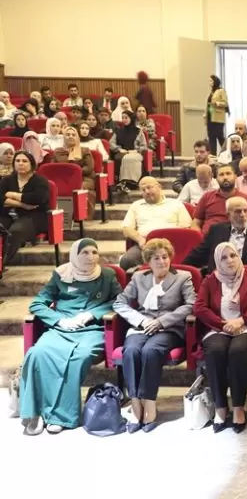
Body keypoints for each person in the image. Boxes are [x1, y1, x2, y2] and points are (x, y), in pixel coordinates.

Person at [19, 239, 121, 435]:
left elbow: (120, 300)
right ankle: (36, 412)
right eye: (85, 252)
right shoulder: (61, 275)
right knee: (37, 353)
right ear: (75, 255)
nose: (91, 257)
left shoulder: (107, 275)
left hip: (91, 330)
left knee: (78, 358)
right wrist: (59, 320)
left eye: (94, 252)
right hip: (62, 328)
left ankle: (60, 416)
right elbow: (37, 303)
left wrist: (93, 314)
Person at [113, 238, 195, 432]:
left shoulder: (183, 277)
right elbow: (119, 303)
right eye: (156, 258)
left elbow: (191, 304)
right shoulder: (138, 278)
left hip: (169, 328)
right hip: (142, 325)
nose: (162, 261)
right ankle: (136, 402)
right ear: (148, 261)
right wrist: (142, 321)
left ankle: (149, 401)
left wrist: (162, 321)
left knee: (150, 351)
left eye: (165, 257)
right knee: (131, 351)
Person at [194, 242, 247, 433]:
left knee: (237, 351)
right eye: (224, 257)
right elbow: (199, 307)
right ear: (217, 262)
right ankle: (220, 406)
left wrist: (241, 321)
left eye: (233, 255)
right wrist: (223, 325)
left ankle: (238, 407)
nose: (230, 260)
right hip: (218, 328)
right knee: (215, 350)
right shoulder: (210, 280)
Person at [184, 196, 247, 273]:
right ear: (228, 215)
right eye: (238, 211)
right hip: (217, 278)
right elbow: (199, 254)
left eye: (245, 211)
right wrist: (181, 269)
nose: (243, 215)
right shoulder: (217, 230)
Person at [120, 177, 192, 270]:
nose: (147, 191)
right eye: (143, 190)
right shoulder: (136, 205)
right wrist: (140, 239)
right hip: (146, 244)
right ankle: (146, 276)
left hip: (171, 244)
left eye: (149, 187)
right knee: (126, 261)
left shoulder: (176, 204)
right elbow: (126, 229)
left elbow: (185, 227)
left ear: (159, 187)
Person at [0, 151, 50, 263]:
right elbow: (0, 198)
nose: (20, 163)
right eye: (17, 161)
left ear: (32, 164)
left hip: (33, 216)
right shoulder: (6, 180)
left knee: (15, 231)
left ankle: (2, 263)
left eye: (24, 161)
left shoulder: (40, 181)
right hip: (8, 214)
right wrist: (22, 204)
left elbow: (38, 199)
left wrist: (12, 195)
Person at [194, 165, 247, 236]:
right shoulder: (207, 197)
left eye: (228, 173)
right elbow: (196, 222)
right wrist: (199, 237)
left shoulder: (246, 199)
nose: (225, 177)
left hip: (236, 238)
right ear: (216, 179)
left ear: (235, 177)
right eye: (221, 175)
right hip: (208, 238)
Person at [52, 126, 96, 218]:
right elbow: (53, 168)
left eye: (73, 135)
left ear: (77, 137)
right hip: (63, 179)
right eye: (68, 135)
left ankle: (79, 215)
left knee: (80, 187)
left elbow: (89, 168)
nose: (70, 136)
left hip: (83, 178)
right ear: (64, 137)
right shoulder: (57, 152)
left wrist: (74, 172)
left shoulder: (85, 150)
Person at [110, 110, 147, 191]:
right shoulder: (118, 131)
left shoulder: (138, 131)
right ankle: (123, 182)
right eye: (122, 118)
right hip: (122, 152)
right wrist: (119, 149)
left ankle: (132, 182)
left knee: (130, 158)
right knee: (123, 158)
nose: (124, 120)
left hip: (135, 153)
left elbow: (144, 146)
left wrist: (136, 150)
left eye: (126, 118)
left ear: (131, 118)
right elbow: (111, 143)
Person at [206, 75, 229, 154]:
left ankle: (227, 153)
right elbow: (209, 104)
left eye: (211, 81)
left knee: (220, 137)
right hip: (210, 117)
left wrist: (217, 103)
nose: (209, 82)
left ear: (215, 82)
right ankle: (213, 155)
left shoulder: (221, 91)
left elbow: (225, 103)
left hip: (218, 118)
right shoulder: (211, 92)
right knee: (211, 137)